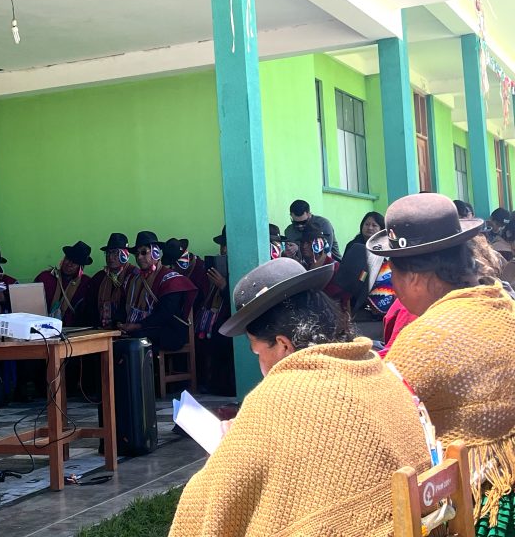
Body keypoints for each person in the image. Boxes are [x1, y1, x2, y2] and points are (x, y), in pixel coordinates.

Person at [169, 258, 429, 536]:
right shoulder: (375, 369)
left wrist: (227, 448)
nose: (259, 363)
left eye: (257, 352)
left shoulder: (278, 399)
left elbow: (205, 500)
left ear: (283, 345)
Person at [368, 193, 515, 533]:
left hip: (490, 509)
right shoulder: (500, 303)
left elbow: (384, 427)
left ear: (415, 277)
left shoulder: (425, 340)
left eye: (392, 273)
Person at [117, 231, 198, 352]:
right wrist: (119, 323)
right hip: (143, 329)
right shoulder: (132, 279)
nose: (139, 257)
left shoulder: (171, 279)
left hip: (169, 331)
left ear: (155, 252)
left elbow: (165, 313)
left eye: (143, 252)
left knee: (136, 340)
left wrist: (137, 326)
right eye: (137, 254)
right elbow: (123, 305)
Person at [193, 226, 234, 395]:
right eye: (222, 245)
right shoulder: (220, 265)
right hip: (216, 317)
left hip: (232, 318)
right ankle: (208, 382)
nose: (223, 249)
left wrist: (223, 285)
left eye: (227, 245)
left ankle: (224, 386)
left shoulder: (242, 264)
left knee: (222, 336)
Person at [34, 241, 93, 327]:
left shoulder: (86, 284)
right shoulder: (45, 277)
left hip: (72, 329)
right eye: (68, 259)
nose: (69, 264)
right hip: (42, 326)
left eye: (75, 262)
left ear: (81, 267)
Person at [86, 233, 137, 329]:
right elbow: (90, 307)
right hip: (100, 330)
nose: (110, 257)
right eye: (108, 253)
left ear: (125, 255)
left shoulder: (134, 276)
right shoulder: (99, 278)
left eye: (115, 253)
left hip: (126, 330)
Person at [161, 237, 209, 309]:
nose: (172, 268)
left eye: (173, 264)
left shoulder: (202, 271)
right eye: (170, 265)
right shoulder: (171, 274)